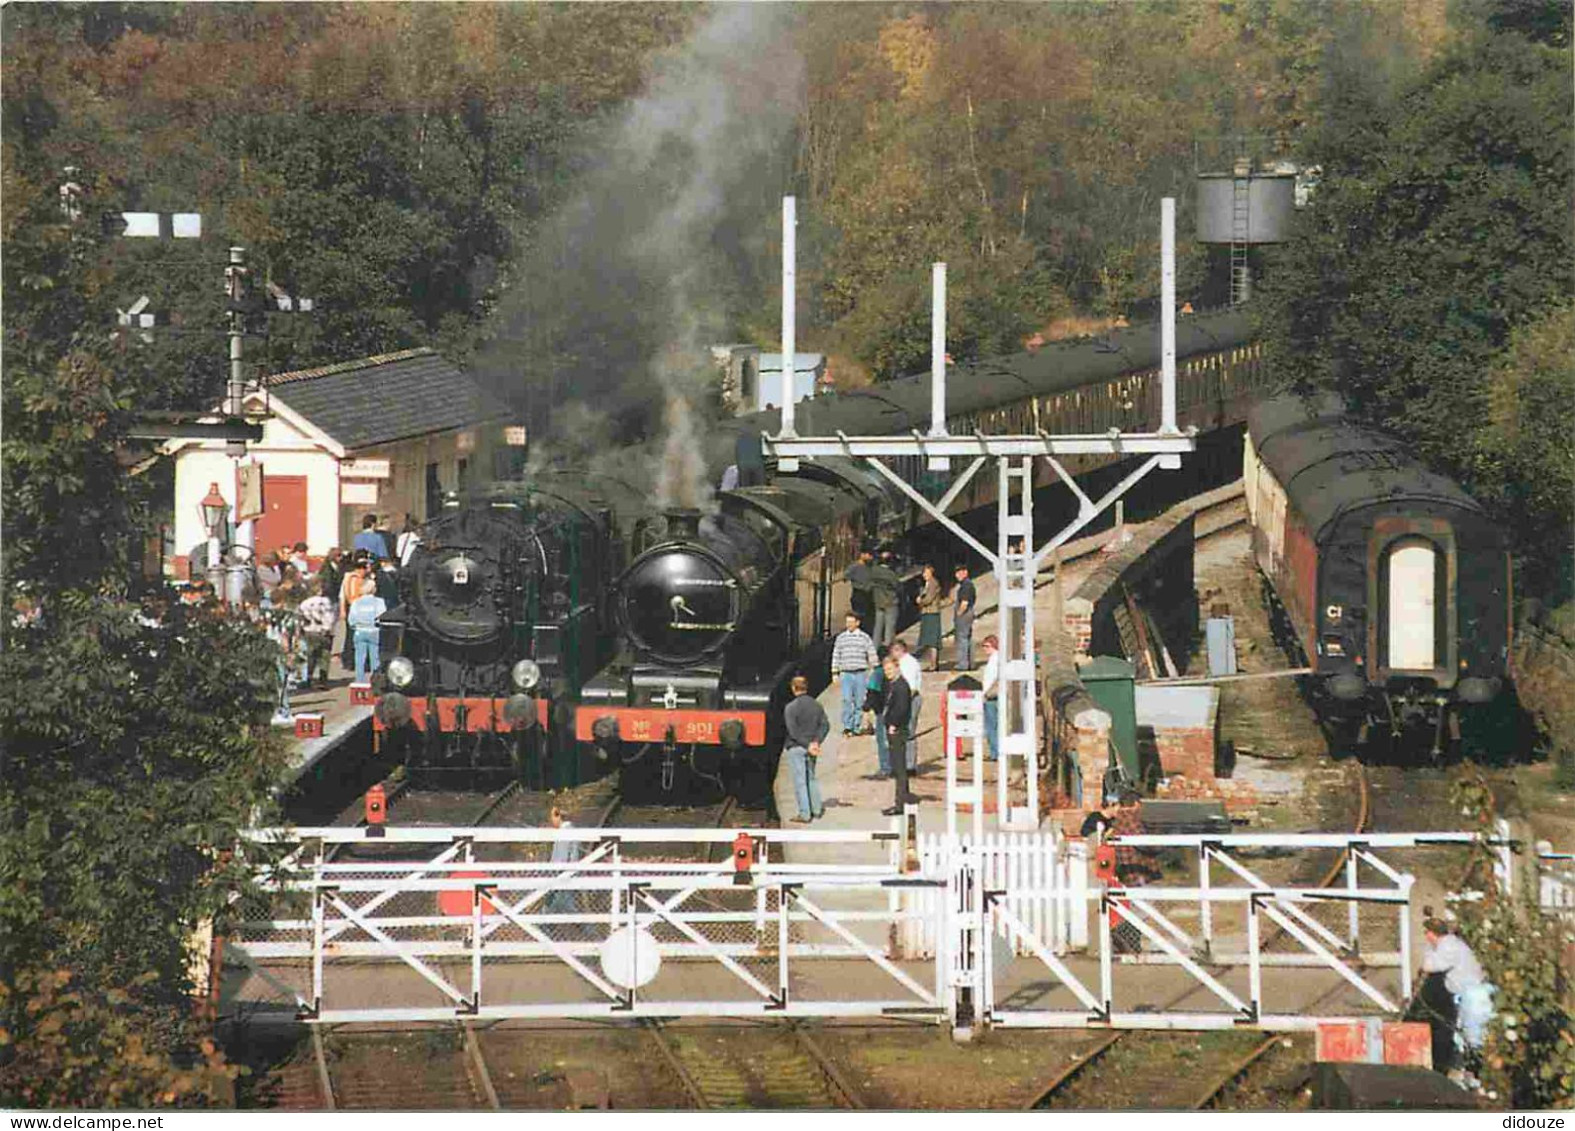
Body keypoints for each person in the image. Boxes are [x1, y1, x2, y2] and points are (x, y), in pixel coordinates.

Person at [1420, 914, 1494, 1077]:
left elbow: (1430, 966)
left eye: (1427, 933)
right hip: (1468, 994)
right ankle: (1472, 1073)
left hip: (1473, 995)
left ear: (1432, 933)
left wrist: (1427, 950)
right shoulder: (1449, 944)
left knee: (1473, 1038)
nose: (1426, 937)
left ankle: (1479, 1075)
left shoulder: (1448, 947)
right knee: (1465, 1037)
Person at [783, 675, 829, 823]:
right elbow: (825, 725)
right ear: (806, 687)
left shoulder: (790, 707)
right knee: (811, 778)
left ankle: (805, 814)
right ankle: (816, 810)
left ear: (793, 688)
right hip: (812, 747)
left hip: (797, 747)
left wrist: (807, 744)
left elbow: (793, 732)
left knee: (800, 781)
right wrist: (816, 742)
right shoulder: (816, 705)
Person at [879, 654, 920, 816]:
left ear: (897, 668)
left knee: (899, 768)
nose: (887, 672)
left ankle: (900, 804)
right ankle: (905, 797)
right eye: (885, 670)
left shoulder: (901, 686)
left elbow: (901, 708)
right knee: (898, 766)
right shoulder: (893, 684)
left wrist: (894, 724)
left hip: (897, 730)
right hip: (893, 728)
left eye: (889, 669)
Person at [829, 611, 878, 737]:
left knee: (859, 701)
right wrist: (835, 672)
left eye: (851, 622)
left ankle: (856, 726)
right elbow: (836, 655)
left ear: (857, 623)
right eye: (847, 622)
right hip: (846, 673)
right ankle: (847, 726)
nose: (848, 625)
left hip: (860, 673)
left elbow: (871, 652)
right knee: (846, 700)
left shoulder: (865, 638)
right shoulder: (841, 638)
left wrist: (874, 668)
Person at [346, 567, 387, 683]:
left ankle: (360, 680)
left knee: (359, 657)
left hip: (360, 631)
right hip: (374, 631)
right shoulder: (379, 602)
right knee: (375, 657)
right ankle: (375, 679)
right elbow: (381, 616)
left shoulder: (356, 603)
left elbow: (351, 619)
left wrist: (356, 626)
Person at [546, 806, 583, 930]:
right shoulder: (571, 830)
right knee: (557, 903)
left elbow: (561, 857)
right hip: (567, 874)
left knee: (557, 904)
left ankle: (588, 928)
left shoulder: (564, 832)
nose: (551, 821)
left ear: (557, 816)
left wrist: (553, 873)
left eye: (552, 817)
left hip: (563, 875)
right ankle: (545, 927)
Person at [890, 640, 922, 773]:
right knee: (901, 732)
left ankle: (909, 765)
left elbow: (912, 688)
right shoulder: (900, 663)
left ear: (899, 650)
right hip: (903, 700)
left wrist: (901, 703)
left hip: (910, 700)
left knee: (908, 732)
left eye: (893, 651)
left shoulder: (909, 663)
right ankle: (902, 763)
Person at [296, 589, 337, 689]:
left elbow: (300, 619)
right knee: (324, 656)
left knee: (310, 656)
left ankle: (307, 678)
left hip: (309, 631)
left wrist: (300, 630)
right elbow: (330, 618)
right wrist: (328, 629)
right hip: (323, 632)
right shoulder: (325, 602)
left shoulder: (304, 603)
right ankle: (322, 680)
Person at [862, 663, 893, 779]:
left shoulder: (877, 673)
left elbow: (872, 693)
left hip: (881, 711)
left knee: (882, 740)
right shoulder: (894, 671)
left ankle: (885, 768)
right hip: (893, 709)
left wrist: (866, 709)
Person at [869, 550, 901, 650]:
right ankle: (887, 650)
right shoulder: (891, 574)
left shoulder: (874, 571)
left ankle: (875, 650)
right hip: (890, 602)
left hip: (878, 602)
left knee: (877, 629)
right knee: (889, 630)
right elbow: (898, 586)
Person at [915, 563, 944, 671]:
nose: (924, 575)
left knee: (933, 640)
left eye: (927, 573)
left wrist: (920, 601)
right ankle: (933, 663)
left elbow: (929, 599)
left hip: (932, 613)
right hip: (927, 613)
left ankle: (934, 664)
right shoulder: (927, 584)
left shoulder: (933, 583)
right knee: (929, 640)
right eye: (924, 573)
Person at [979, 635, 1001, 761]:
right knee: (993, 725)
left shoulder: (994, 659)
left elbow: (993, 679)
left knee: (991, 726)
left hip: (991, 696)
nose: (984, 649)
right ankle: (995, 751)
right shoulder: (995, 659)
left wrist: (986, 693)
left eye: (987, 646)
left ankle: (995, 752)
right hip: (991, 695)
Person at [952, 563, 977, 670]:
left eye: (960, 572)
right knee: (967, 638)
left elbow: (964, 602)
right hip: (968, 613)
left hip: (965, 614)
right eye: (956, 573)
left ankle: (963, 664)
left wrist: (959, 613)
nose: (957, 575)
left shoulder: (966, 585)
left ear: (965, 572)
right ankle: (970, 663)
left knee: (962, 638)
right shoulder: (966, 585)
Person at [844, 549, 875, 630]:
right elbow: (845, 576)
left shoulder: (871, 566)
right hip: (859, 594)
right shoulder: (854, 566)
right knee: (858, 615)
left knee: (868, 617)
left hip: (869, 594)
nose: (871, 557)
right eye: (869, 555)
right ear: (862, 555)